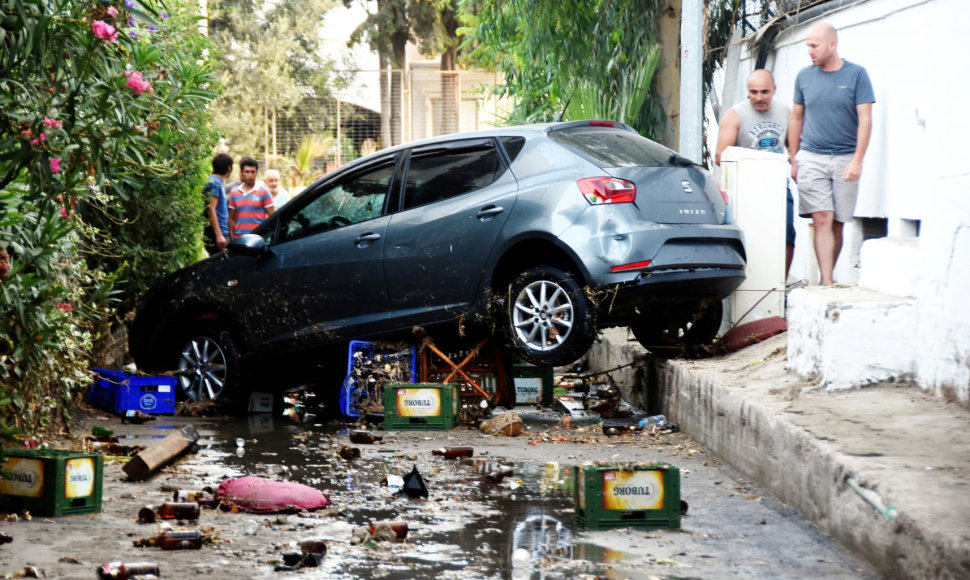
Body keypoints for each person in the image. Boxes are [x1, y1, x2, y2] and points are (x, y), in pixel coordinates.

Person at [789, 22, 874, 286]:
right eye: (807, 46)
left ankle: (830, 275)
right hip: (811, 157)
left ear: (831, 45)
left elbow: (865, 118)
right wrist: (794, 157)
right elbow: (796, 118)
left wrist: (857, 160)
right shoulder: (804, 77)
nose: (809, 51)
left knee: (838, 223)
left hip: (846, 157)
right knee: (822, 217)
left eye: (813, 46)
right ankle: (826, 282)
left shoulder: (857, 75)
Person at [715, 69, 794, 279]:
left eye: (764, 92)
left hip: (777, 184)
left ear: (774, 90)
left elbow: (794, 148)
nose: (759, 98)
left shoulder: (786, 113)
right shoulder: (735, 114)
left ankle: (780, 285)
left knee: (787, 235)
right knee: (751, 237)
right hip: (747, 185)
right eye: (754, 92)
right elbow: (720, 156)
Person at [228, 157, 275, 239]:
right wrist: (232, 238)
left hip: (257, 240)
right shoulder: (234, 192)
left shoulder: (264, 192)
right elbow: (231, 218)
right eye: (247, 172)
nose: (250, 175)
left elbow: (273, 218)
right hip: (239, 240)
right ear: (241, 173)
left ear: (256, 173)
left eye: (253, 172)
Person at [203, 153, 233, 254]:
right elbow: (211, 208)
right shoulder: (214, 182)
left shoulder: (215, 181)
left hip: (219, 232)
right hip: (216, 232)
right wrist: (219, 235)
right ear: (229, 168)